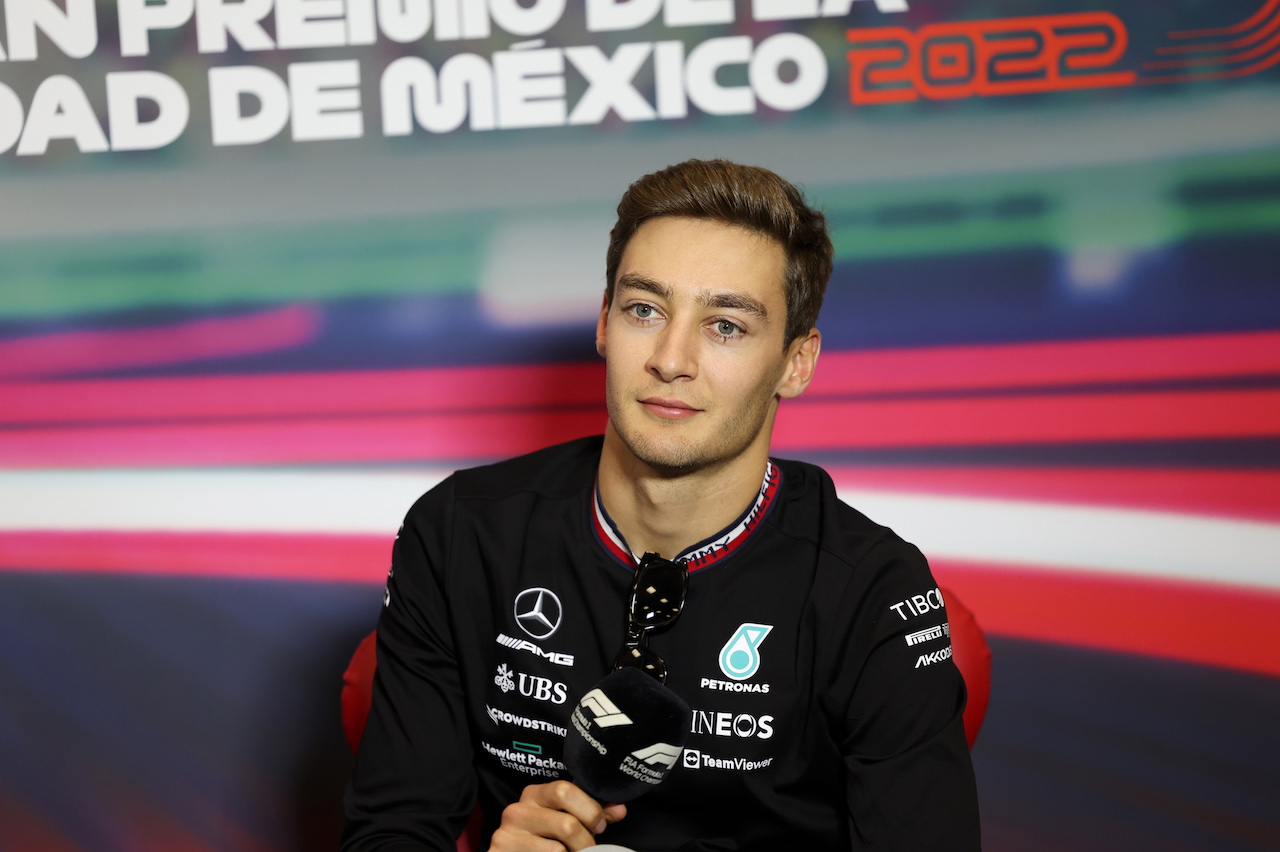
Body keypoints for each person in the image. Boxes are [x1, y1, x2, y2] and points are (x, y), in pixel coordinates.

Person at [342, 159, 981, 851]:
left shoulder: (872, 589)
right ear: (604, 325)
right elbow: (389, 832)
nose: (671, 359)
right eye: (644, 310)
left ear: (796, 362)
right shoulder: (460, 533)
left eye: (726, 326)